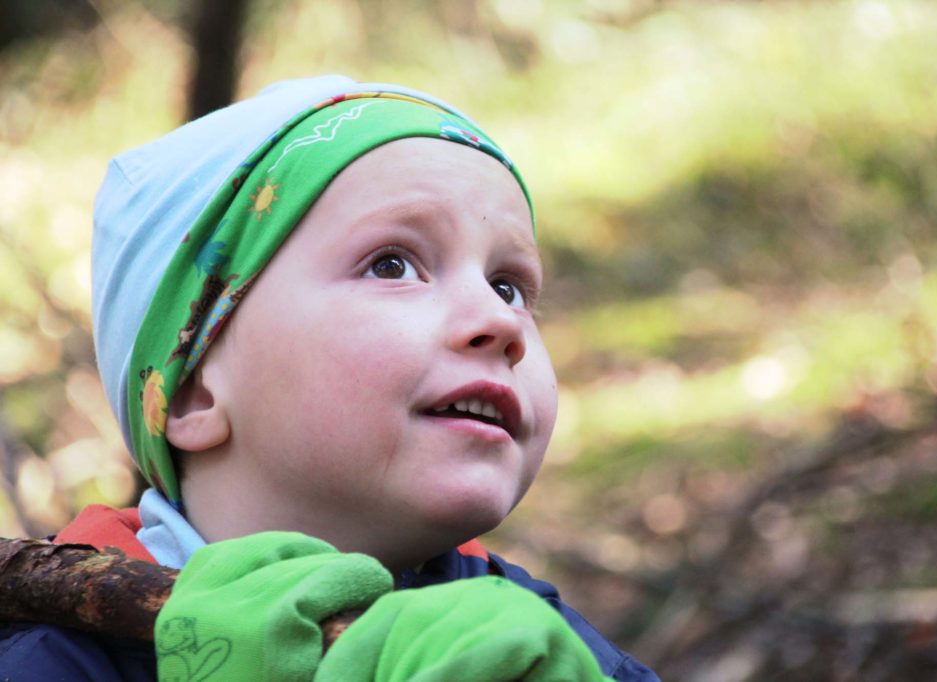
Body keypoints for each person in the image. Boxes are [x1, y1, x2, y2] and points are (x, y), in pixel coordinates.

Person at [0, 75, 659, 681]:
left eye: (509, 286)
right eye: (393, 265)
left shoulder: (530, 645)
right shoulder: (59, 660)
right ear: (195, 386)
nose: (500, 321)